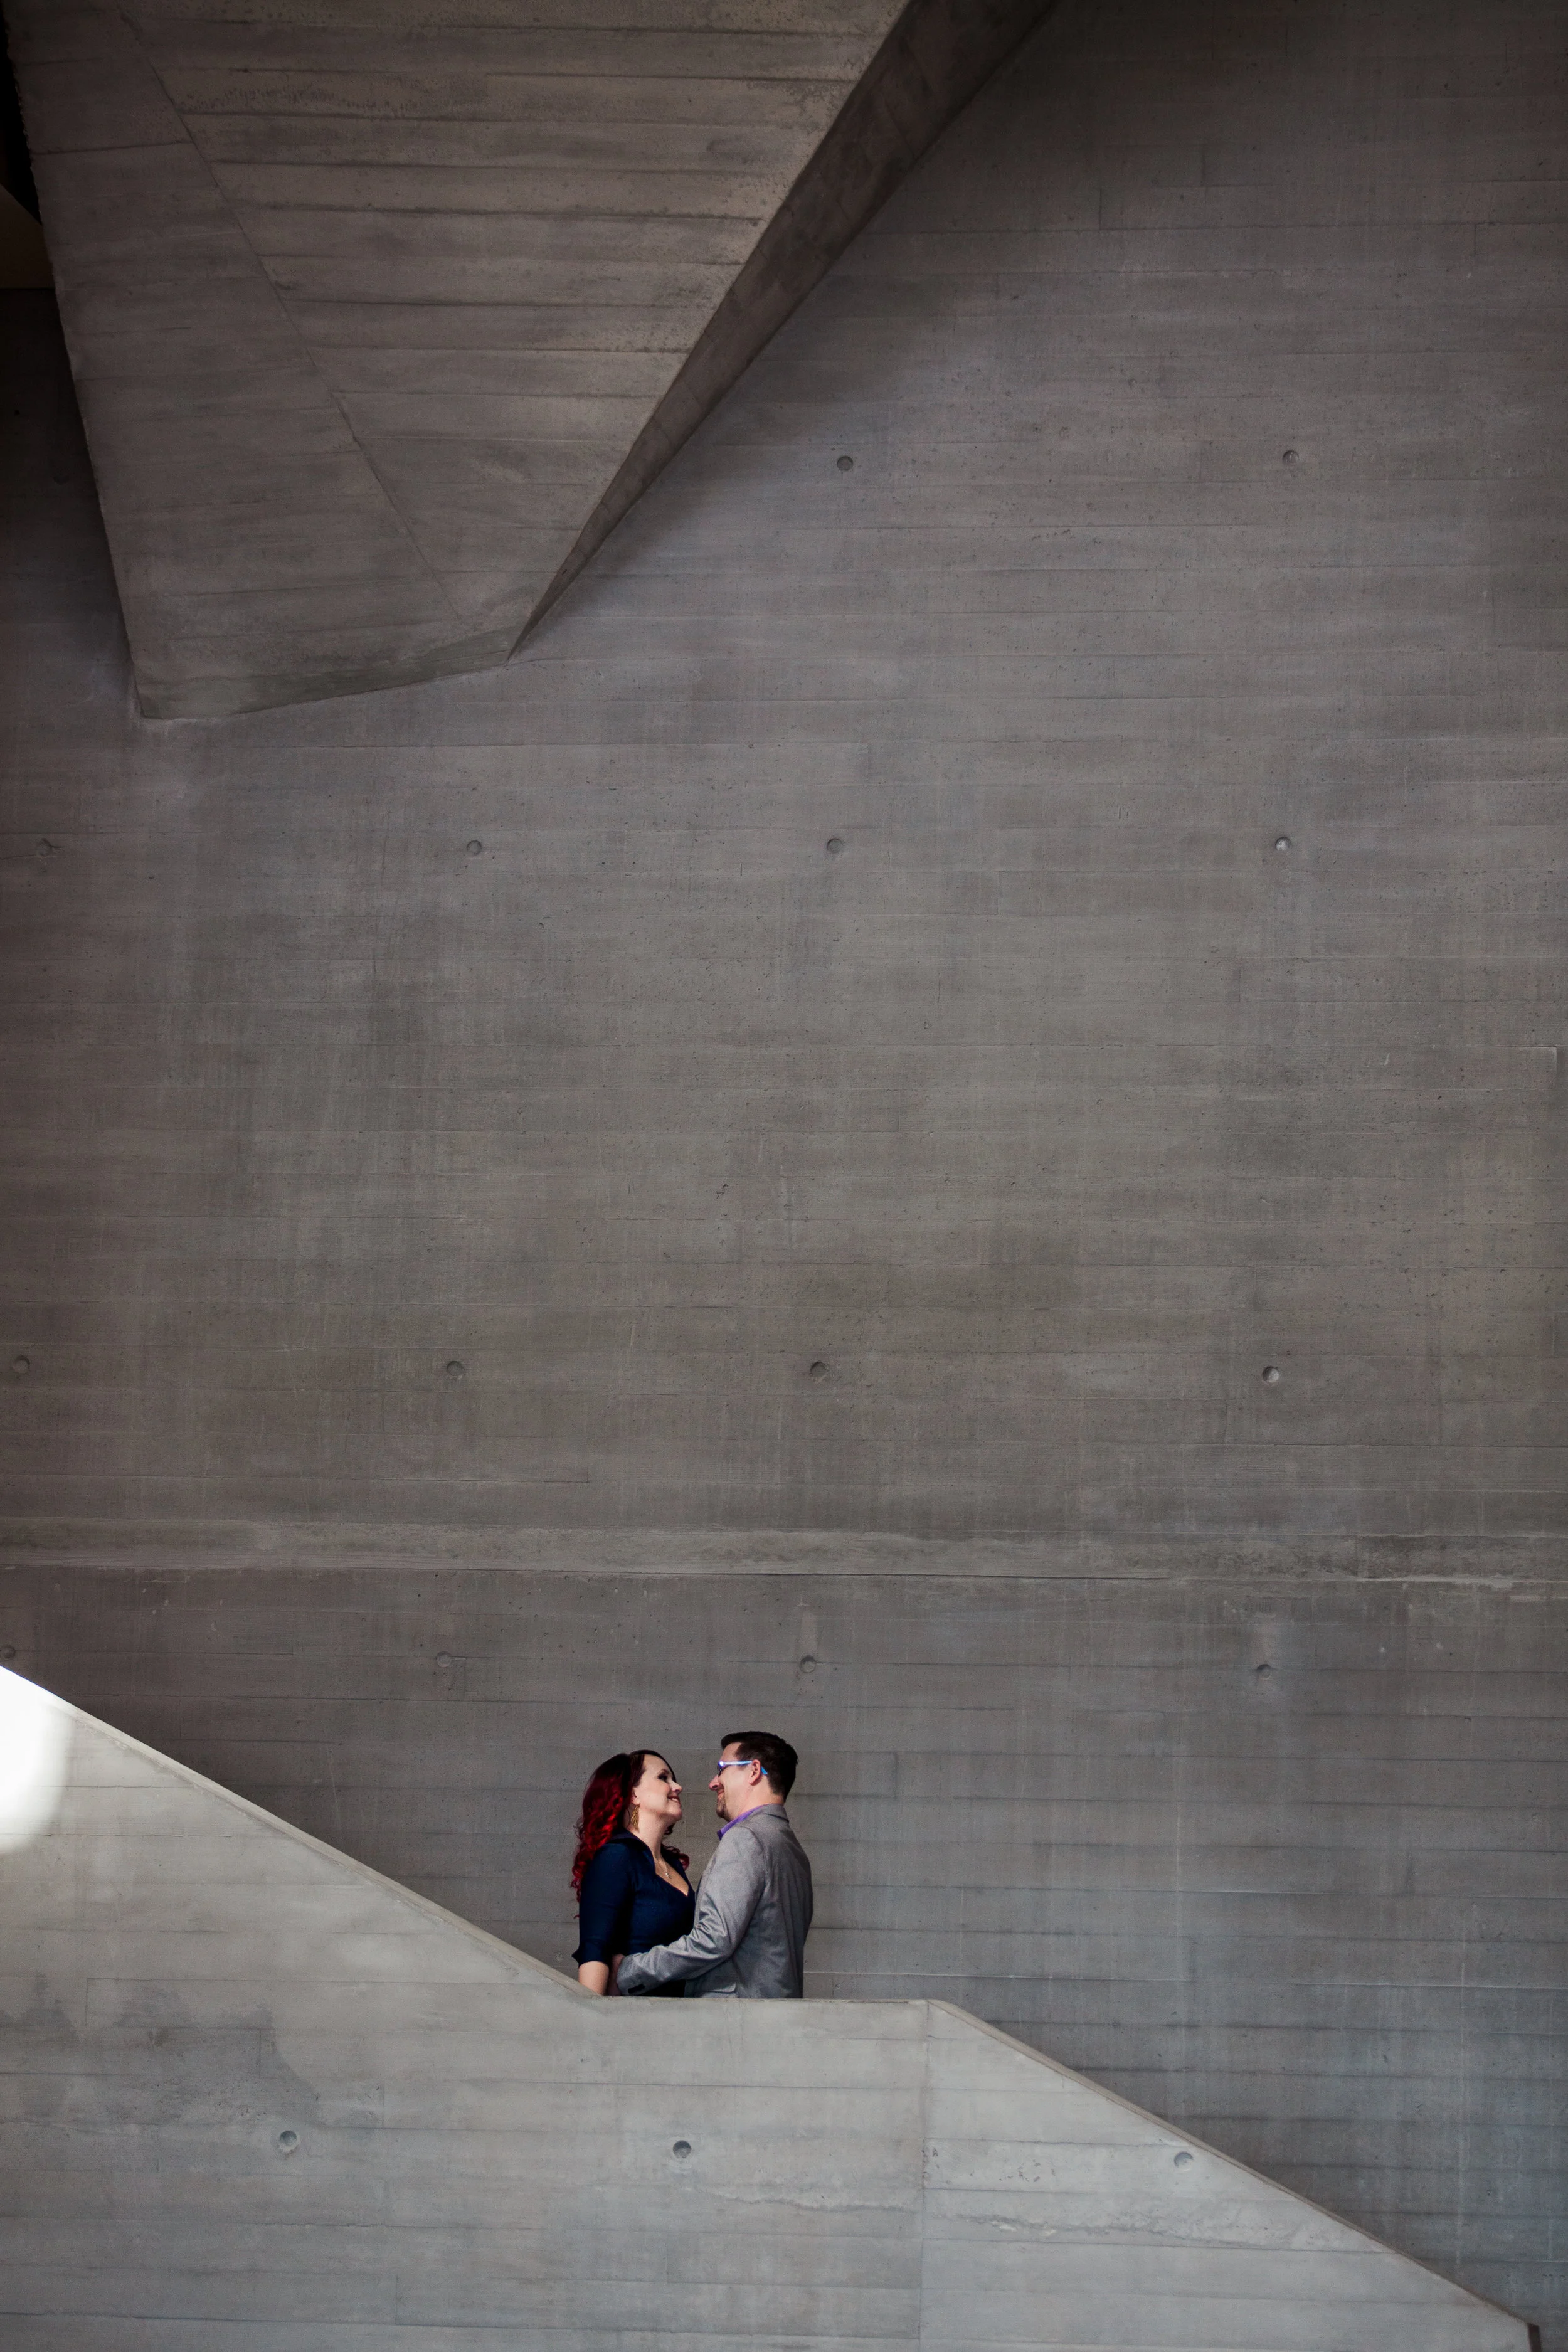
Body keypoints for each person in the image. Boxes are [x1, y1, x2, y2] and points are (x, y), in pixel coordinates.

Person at [616, 1731, 812, 1999]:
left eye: (721, 1770)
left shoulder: (746, 1838)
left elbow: (713, 1940)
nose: (713, 1782)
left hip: (733, 2023)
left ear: (754, 1771)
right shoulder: (794, 1852)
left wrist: (631, 1971)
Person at [572, 1750, 694, 1996]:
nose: (678, 1787)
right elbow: (595, 1950)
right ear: (634, 1793)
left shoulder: (673, 1863)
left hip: (682, 2018)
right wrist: (588, 2022)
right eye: (664, 1778)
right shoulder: (617, 1856)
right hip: (635, 2020)